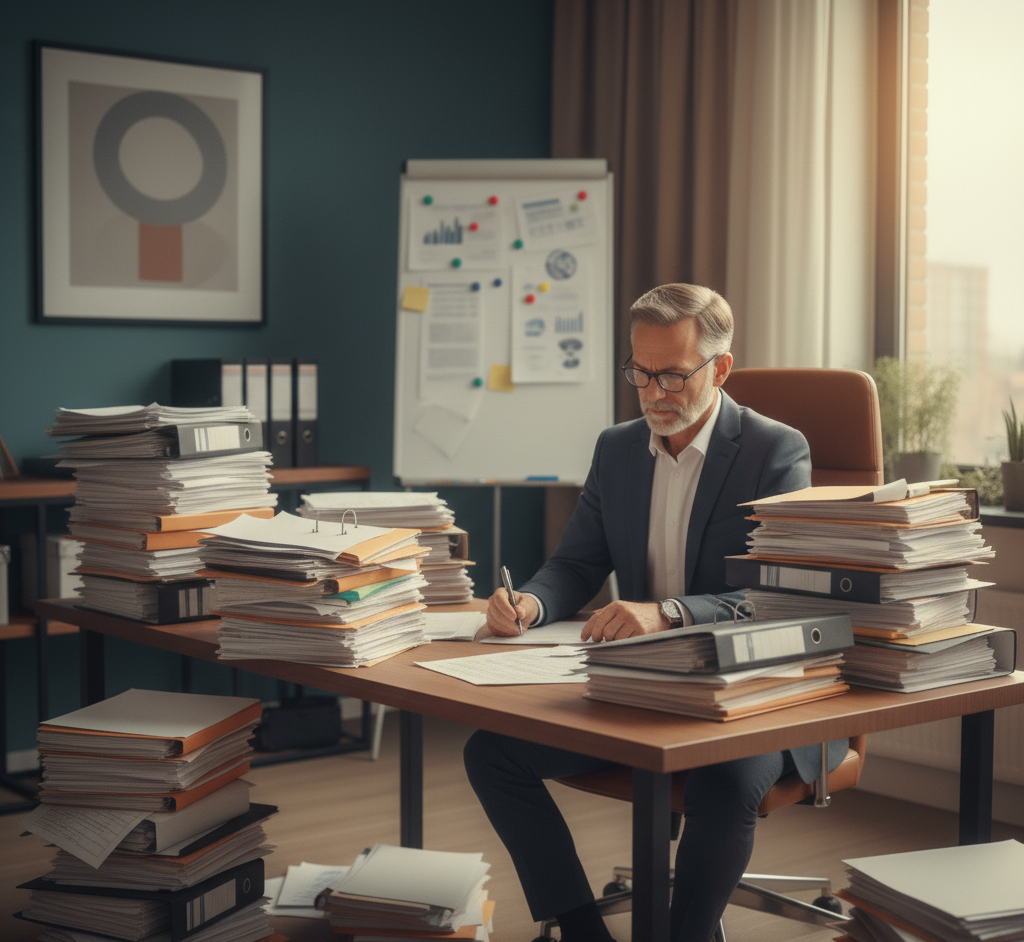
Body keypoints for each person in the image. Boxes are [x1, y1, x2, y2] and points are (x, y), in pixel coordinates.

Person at [463, 283, 847, 942]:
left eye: (672, 374)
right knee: (492, 754)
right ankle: (584, 933)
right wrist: (531, 600)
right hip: (646, 687)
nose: (651, 392)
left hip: (761, 692)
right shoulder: (617, 449)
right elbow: (577, 565)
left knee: (723, 779)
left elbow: (782, 598)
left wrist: (669, 612)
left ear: (719, 369)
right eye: (639, 372)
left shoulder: (776, 452)